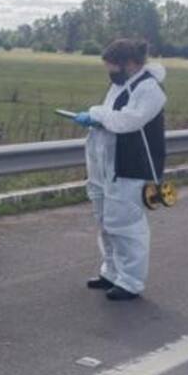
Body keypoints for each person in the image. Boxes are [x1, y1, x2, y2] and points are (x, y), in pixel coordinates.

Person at [71, 39, 167, 302]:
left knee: (126, 226)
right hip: (107, 166)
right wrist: (98, 118)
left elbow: (128, 121)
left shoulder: (150, 90)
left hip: (131, 168)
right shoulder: (121, 85)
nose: (110, 72)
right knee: (106, 222)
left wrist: (96, 114)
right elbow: (110, 119)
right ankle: (111, 272)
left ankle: (131, 282)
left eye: (113, 67)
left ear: (131, 64)